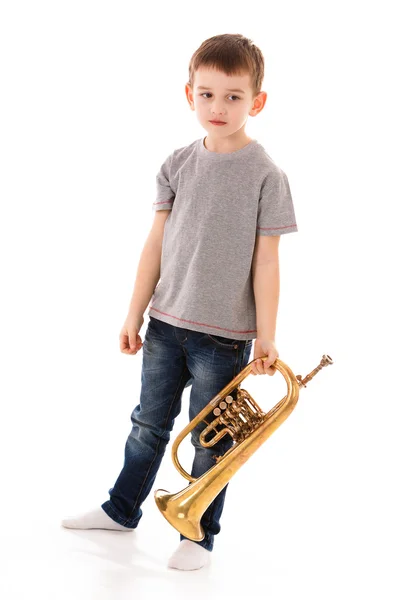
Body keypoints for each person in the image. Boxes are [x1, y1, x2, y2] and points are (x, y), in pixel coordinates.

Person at [61, 33, 298, 571]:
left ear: (257, 102)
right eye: (207, 94)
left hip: (225, 336)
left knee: (212, 442)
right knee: (147, 423)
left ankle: (199, 534)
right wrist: (133, 312)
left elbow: (267, 263)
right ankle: (122, 510)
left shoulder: (267, 176)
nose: (218, 107)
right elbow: (155, 246)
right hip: (165, 323)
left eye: (234, 97)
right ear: (188, 94)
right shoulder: (176, 163)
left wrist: (267, 334)